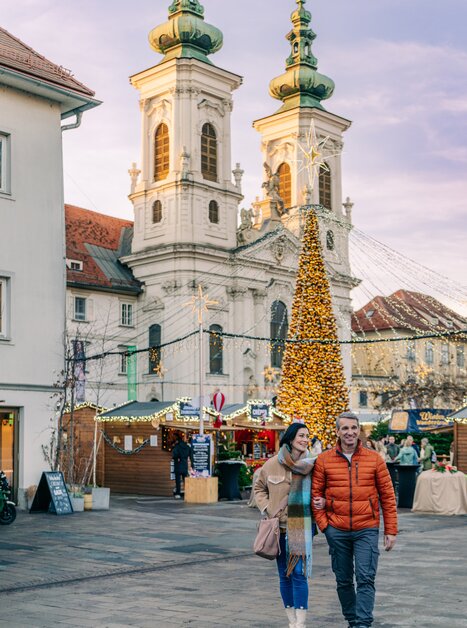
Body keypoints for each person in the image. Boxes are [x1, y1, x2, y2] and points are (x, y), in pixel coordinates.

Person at [312, 411, 398, 628]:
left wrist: (391, 530)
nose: (350, 432)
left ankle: (362, 624)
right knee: (343, 580)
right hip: (337, 530)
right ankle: (352, 619)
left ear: (359, 430)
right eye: (345, 428)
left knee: (366, 577)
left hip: (366, 529)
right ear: (338, 432)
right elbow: (316, 496)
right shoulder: (324, 460)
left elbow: (388, 496)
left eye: (353, 428)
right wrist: (325, 526)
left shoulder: (374, 459)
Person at [254, 423, 322, 628]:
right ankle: (291, 620)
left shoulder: (313, 464)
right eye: (301, 435)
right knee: (284, 574)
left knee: (299, 573)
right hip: (279, 528)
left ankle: (300, 623)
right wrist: (267, 507)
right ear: (291, 438)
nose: (305, 439)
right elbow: (259, 488)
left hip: (302, 527)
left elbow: (321, 491)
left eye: (307, 436)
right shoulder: (272, 464)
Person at [172, 434, 192, 499]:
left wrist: (176, 457)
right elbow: (191, 455)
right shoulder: (187, 447)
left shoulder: (177, 447)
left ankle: (178, 493)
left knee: (178, 481)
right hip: (184, 465)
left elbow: (174, 455)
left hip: (178, 465)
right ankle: (187, 493)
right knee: (185, 481)